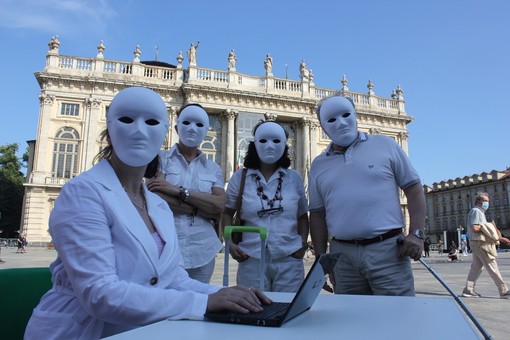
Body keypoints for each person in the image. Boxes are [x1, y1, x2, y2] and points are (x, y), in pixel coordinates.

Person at [24, 87, 270, 339]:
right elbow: (100, 295)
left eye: (151, 122)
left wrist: (221, 294)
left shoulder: (157, 205)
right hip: (80, 330)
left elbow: (174, 278)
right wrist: (203, 304)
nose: (139, 130)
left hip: (140, 330)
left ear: (164, 132)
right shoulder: (82, 193)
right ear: (109, 131)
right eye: (127, 120)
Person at [308, 94, 426, 296]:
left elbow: (414, 188)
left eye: (346, 115)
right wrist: (322, 260)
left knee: (397, 319)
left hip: (388, 251)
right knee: (352, 321)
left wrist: (416, 233)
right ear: (321, 125)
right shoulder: (318, 165)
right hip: (342, 256)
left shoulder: (385, 145)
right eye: (331, 119)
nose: (341, 123)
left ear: (356, 114)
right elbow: (317, 214)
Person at [222, 121, 309, 292]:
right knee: (253, 308)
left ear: (284, 146)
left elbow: (302, 216)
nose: (270, 146)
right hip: (251, 257)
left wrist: (302, 244)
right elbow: (226, 213)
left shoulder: (294, 178)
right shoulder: (240, 177)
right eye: (263, 141)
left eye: (276, 141)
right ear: (255, 144)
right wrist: (229, 243)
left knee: (288, 309)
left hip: (288, 258)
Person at [147, 103, 225, 284]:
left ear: (206, 130)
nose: (192, 129)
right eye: (186, 123)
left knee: (199, 304)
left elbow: (219, 204)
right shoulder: (160, 159)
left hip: (203, 250)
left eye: (199, 125)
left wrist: (177, 191)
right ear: (176, 128)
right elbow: (154, 195)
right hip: (166, 246)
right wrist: (200, 210)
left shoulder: (213, 168)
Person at [462, 192, 510, 299]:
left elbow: (485, 230)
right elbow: (475, 227)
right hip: (481, 243)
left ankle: (468, 290)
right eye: (485, 201)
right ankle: (503, 290)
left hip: (477, 243)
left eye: (488, 201)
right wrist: (489, 226)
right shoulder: (476, 211)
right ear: (479, 201)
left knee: (476, 268)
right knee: (492, 266)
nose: (487, 203)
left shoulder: (480, 212)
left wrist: (500, 237)